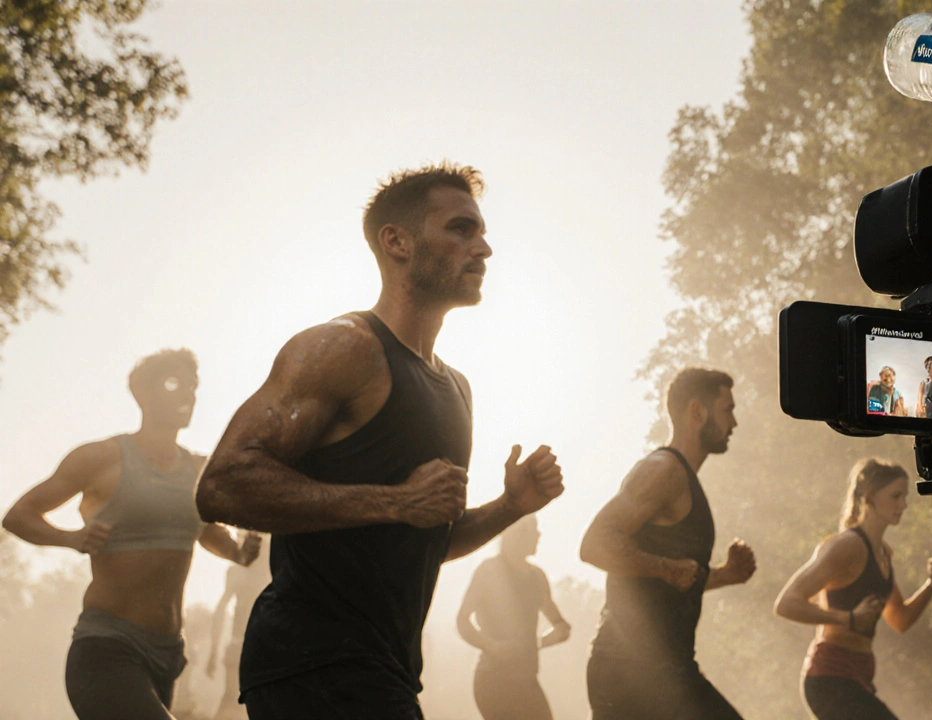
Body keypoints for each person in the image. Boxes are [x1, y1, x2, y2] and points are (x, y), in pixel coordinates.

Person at [195, 162, 565, 720]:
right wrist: (395, 501)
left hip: (386, 669)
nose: (483, 248)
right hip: (314, 663)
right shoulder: (342, 348)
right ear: (397, 242)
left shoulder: (456, 388)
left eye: (482, 232)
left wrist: (510, 507)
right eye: (461, 229)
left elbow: (424, 543)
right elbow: (222, 486)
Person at [1, 348, 262, 720]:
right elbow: (18, 515)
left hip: (167, 655)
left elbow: (204, 531)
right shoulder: (101, 458)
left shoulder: (200, 470)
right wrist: (72, 538)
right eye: (174, 383)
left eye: (192, 387)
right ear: (141, 392)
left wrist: (237, 552)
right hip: (107, 648)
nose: (187, 394)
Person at [580, 367, 757, 720]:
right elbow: (594, 543)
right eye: (728, 410)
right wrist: (666, 567)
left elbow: (675, 582)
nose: (734, 423)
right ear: (697, 411)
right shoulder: (664, 470)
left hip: (666, 670)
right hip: (632, 671)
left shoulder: (684, 480)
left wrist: (725, 575)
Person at [773, 458, 932, 720]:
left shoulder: (883, 553)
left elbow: (899, 619)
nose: (904, 505)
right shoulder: (847, 546)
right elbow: (786, 603)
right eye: (896, 496)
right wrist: (846, 617)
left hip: (858, 678)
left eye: (905, 497)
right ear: (868, 497)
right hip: (829, 679)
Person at [456, 515, 570, 720]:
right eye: (534, 529)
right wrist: (491, 646)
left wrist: (538, 643)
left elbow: (562, 627)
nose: (539, 535)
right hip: (493, 679)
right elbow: (462, 620)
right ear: (516, 533)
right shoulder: (489, 570)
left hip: (527, 679)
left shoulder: (537, 578)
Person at [206, 533, 272, 720]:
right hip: (253, 644)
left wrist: (214, 651)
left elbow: (220, 609)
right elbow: (220, 610)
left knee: (234, 704)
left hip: (250, 645)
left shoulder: (246, 570)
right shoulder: (270, 567)